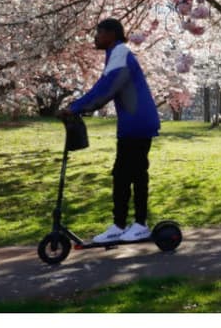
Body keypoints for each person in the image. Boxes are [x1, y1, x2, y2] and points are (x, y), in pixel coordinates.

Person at [61, 18, 161, 244]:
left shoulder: (120, 53)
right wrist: (77, 106)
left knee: (136, 172)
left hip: (138, 123)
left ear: (112, 34)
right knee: (121, 175)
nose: (95, 37)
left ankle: (140, 224)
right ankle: (119, 225)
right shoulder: (115, 54)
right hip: (132, 124)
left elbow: (106, 88)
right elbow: (103, 85)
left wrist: (75, 108)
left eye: (99, 32)